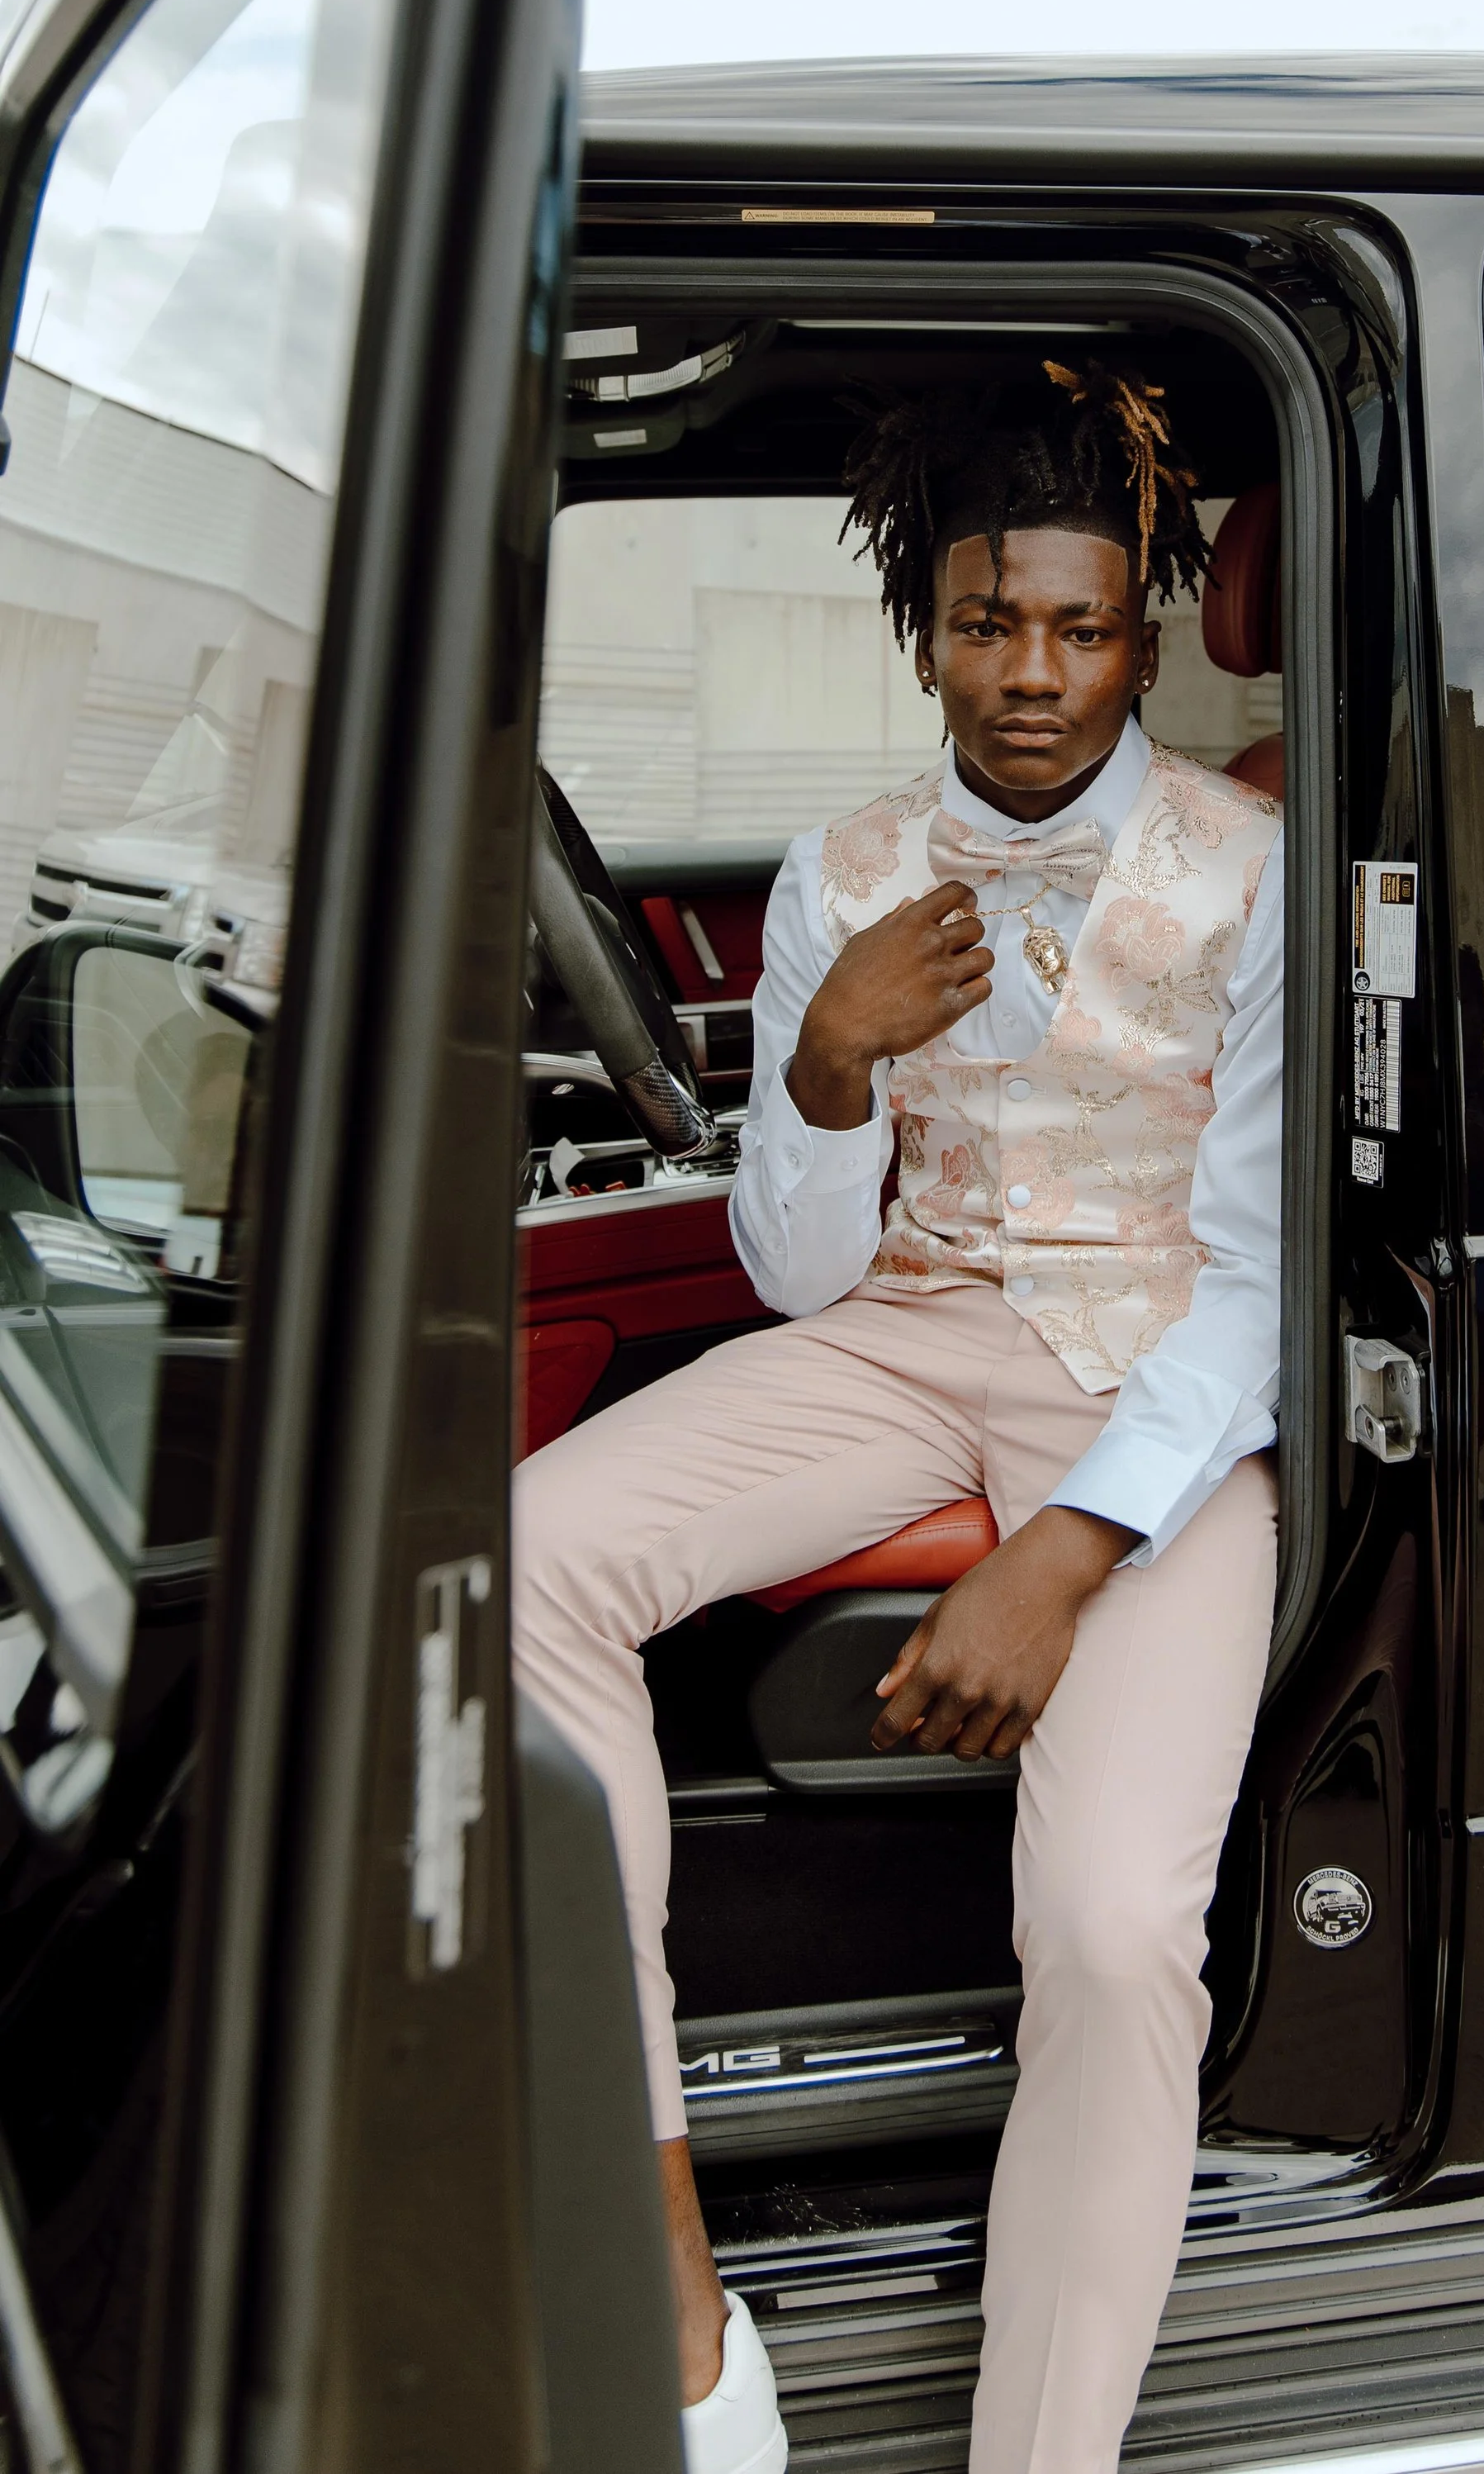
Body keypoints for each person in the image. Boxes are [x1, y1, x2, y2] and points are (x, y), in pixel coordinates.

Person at [513, 356, 1284, 2474]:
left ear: (1140, 630)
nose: (1030, 675)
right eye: (983, 622)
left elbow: (1261, 1282)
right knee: (519, 1569)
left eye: (1081, 626)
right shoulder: (834, 869)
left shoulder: (1259, 868)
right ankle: (659, 2250)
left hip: (1154, 1379)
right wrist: (830, 1068)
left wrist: (1070, 1545)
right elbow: (795, 1278)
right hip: (904, 1335)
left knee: (1118, 1931)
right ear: (923, 628)